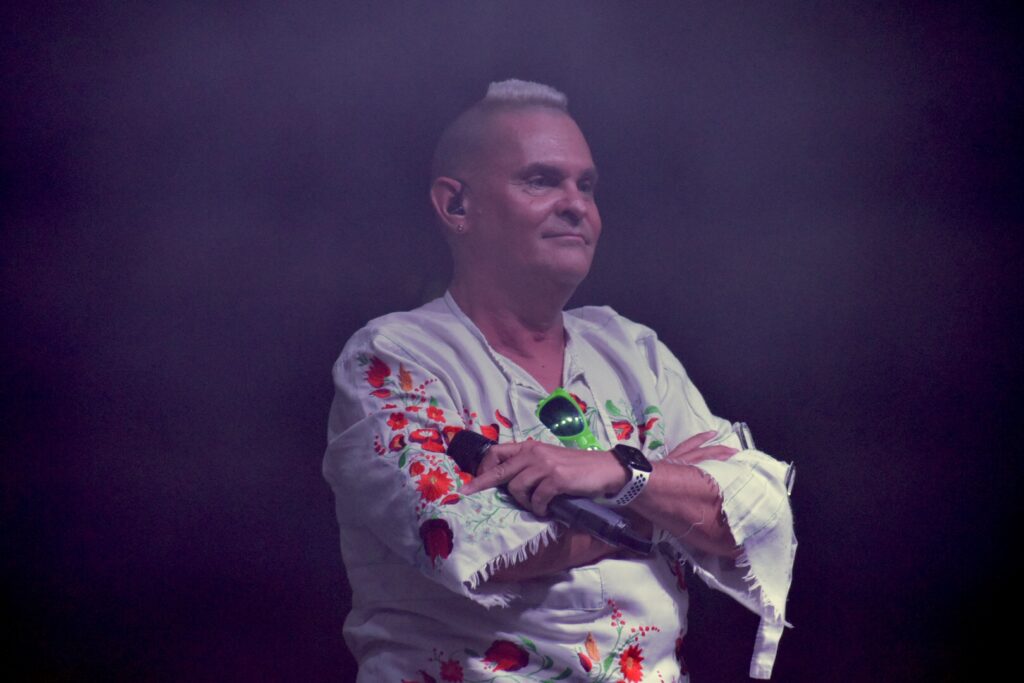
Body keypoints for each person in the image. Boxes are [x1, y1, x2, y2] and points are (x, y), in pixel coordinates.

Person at [323, 79, 796, 682]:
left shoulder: (633, 349)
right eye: (541, 180)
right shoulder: (393, 357)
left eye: (587, 186)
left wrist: (618, 473)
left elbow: (759, 514)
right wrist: (666, 499)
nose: (577, 205)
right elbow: (462, 540)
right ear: (456, 206)